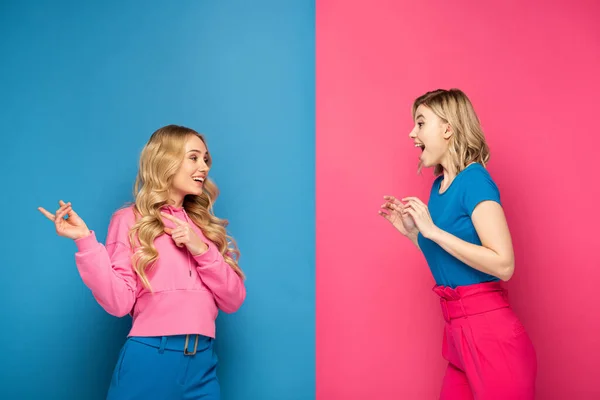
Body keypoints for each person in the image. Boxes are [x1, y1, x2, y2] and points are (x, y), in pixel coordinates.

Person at [39, 125, 246, 399]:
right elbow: (118, 302)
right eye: (193, 157)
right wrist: (85, 241)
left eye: (205, 159)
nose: (204, 167)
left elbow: (233, 299)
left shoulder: (207, 229)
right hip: (149, 360)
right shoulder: (129, 220)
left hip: (202, 365)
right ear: (166, 160)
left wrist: (201, 249)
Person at [379, 89, 536, 399]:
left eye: (421, 123)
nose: (412, 133)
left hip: (491, 336)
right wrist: (415, 234)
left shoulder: (475, 179)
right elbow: (450, 261)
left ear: (447, 129)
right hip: (456, 336)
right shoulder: (438, 187)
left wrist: (433, 231)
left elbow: (504, 264)